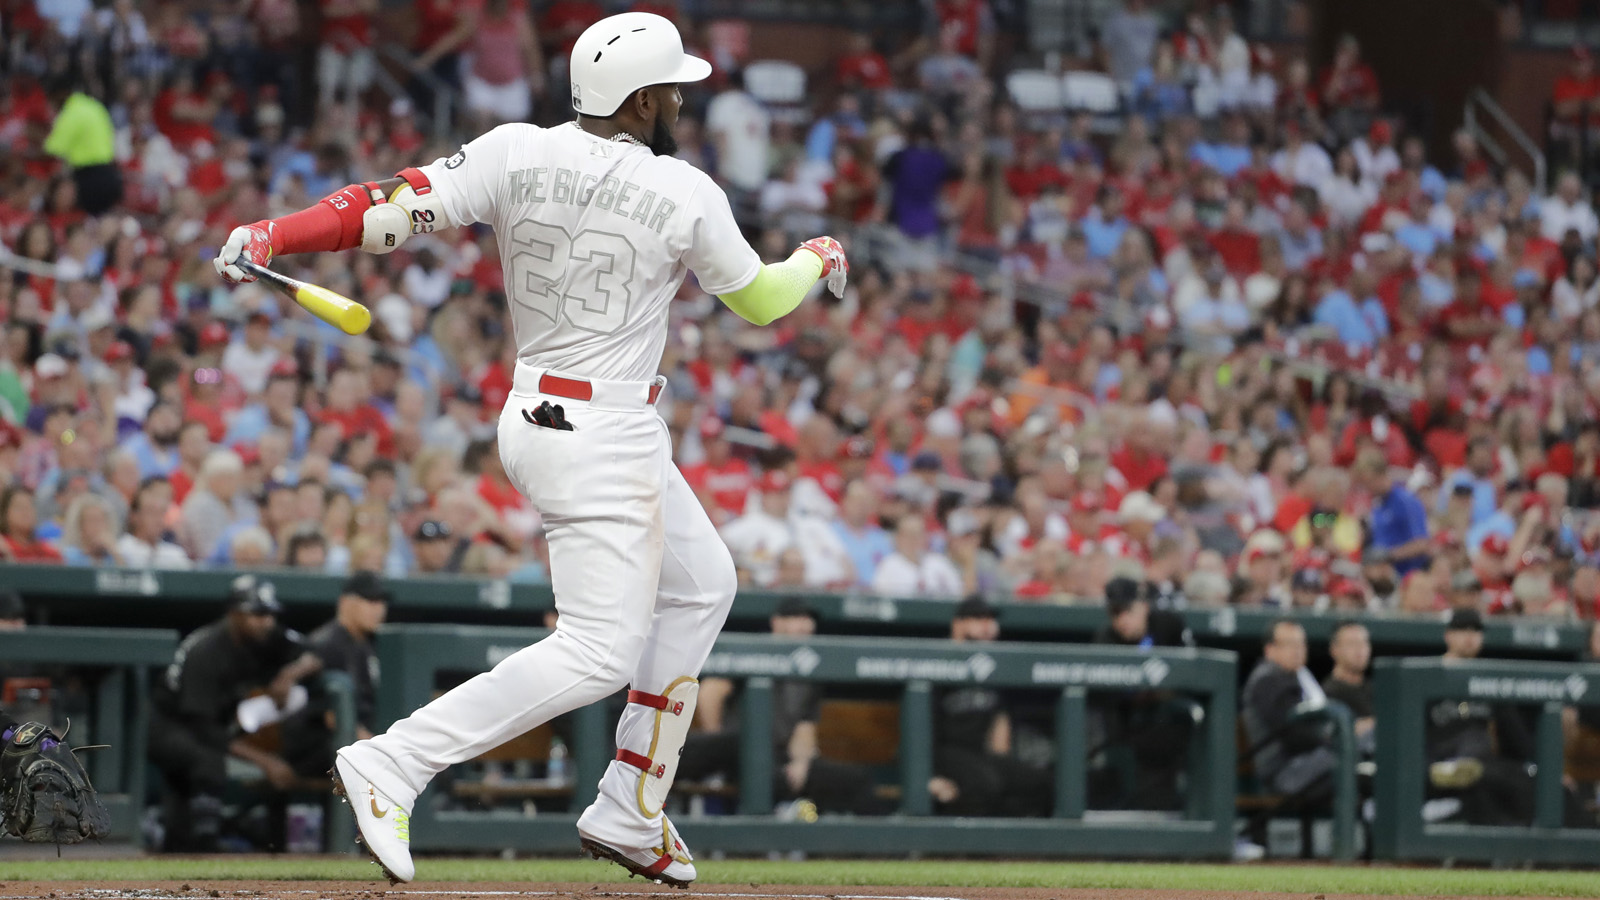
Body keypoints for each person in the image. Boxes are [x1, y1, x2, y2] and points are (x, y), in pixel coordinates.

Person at [213, 12, 849, 887]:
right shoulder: (687, 189)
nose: (679, 101)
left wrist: (273, 234)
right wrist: (818, 255)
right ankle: (395, 762)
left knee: (704, 584)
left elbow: (386, 212)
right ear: (645, 97)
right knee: (596, 650)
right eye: (672, 88)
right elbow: (767, 303)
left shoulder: (515, 148)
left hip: (542, 411)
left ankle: (632, 802)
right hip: (602, 432)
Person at [147, 576, 324, 852]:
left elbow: (315, 651)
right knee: (206, 761)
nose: (266, 621)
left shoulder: (269, 635)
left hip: (218, 718)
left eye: (270, 614)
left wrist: (290, 674)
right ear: (234, 614)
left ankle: (191, 842)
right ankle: (205, 846)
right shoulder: (206, 650)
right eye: (257, 614)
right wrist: (266, 761)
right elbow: (203, 728)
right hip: (170, 722)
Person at [678, 597, 891, 816]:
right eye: (796, 618)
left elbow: (804, 727)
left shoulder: (812, 665)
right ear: (776, 623)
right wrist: (716, 737)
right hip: (739, 751)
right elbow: (710, 693)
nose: (804, 625)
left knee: (857, 779)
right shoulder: (756, 649)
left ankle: (878, 847)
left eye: (808, 620)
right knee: (718, 746)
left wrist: (801, 763)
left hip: (778, 760)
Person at [928, 597, 1052, 818]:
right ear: (957, 625)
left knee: (1038, 781)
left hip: (978, 754)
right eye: (977, 619)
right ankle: (967, 849)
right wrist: (927, 775)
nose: (987, 626)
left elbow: (1000, 729)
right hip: (942, 753)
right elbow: (918, 732)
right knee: (986, 782)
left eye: (990, 619)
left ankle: (1015, 848)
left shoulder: (996, 665)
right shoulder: (937, 660)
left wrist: (1001, 762)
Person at [282, 571, 390, 778]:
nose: (379, 609)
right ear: (345, 602)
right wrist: (378, 748)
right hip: (318, 746)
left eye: (381, 602)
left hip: (355, 743)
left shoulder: (369, 644)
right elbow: (332, 717)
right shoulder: (327, 644)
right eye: (370, 601)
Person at [1241, 620, 1338, 807]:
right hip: (1283, 772)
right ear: (1270, 650)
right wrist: (1334, 739)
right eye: (1289, 644)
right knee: (1349, 757)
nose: (1297, 650)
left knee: (1360, 759)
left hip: (1303, 764)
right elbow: (1295, 736)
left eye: (1301, 644)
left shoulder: (1298, 676)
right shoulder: (1267, 680)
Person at [1320, 620, 1374, 753]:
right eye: (1352, 644)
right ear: (1334, 650)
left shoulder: (1376, 689)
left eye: (1363, 643)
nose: (1360, 650)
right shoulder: (1328, 692)